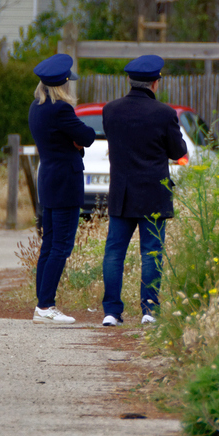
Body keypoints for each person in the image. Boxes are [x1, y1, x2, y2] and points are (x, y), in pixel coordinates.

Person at [100, 54, 189, 327]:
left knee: (114, 252)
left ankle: (111, 312)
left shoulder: (110, 110)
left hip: (121, 193)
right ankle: (149, 310)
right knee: (151, 253)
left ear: (130, 80)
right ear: (155, 82)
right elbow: (179, 151)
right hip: (153, 193)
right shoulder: (164, 113)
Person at [28, 53, 96, 324]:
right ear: (62, 84)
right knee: (61, 246)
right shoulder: (61, 109)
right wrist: (75, 142)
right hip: (66, 182)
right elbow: (88, 137)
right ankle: (46, 307)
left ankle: (42, 305)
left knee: (49, 244)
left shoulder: (36, 107)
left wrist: (73, 141)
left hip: (48, 180)